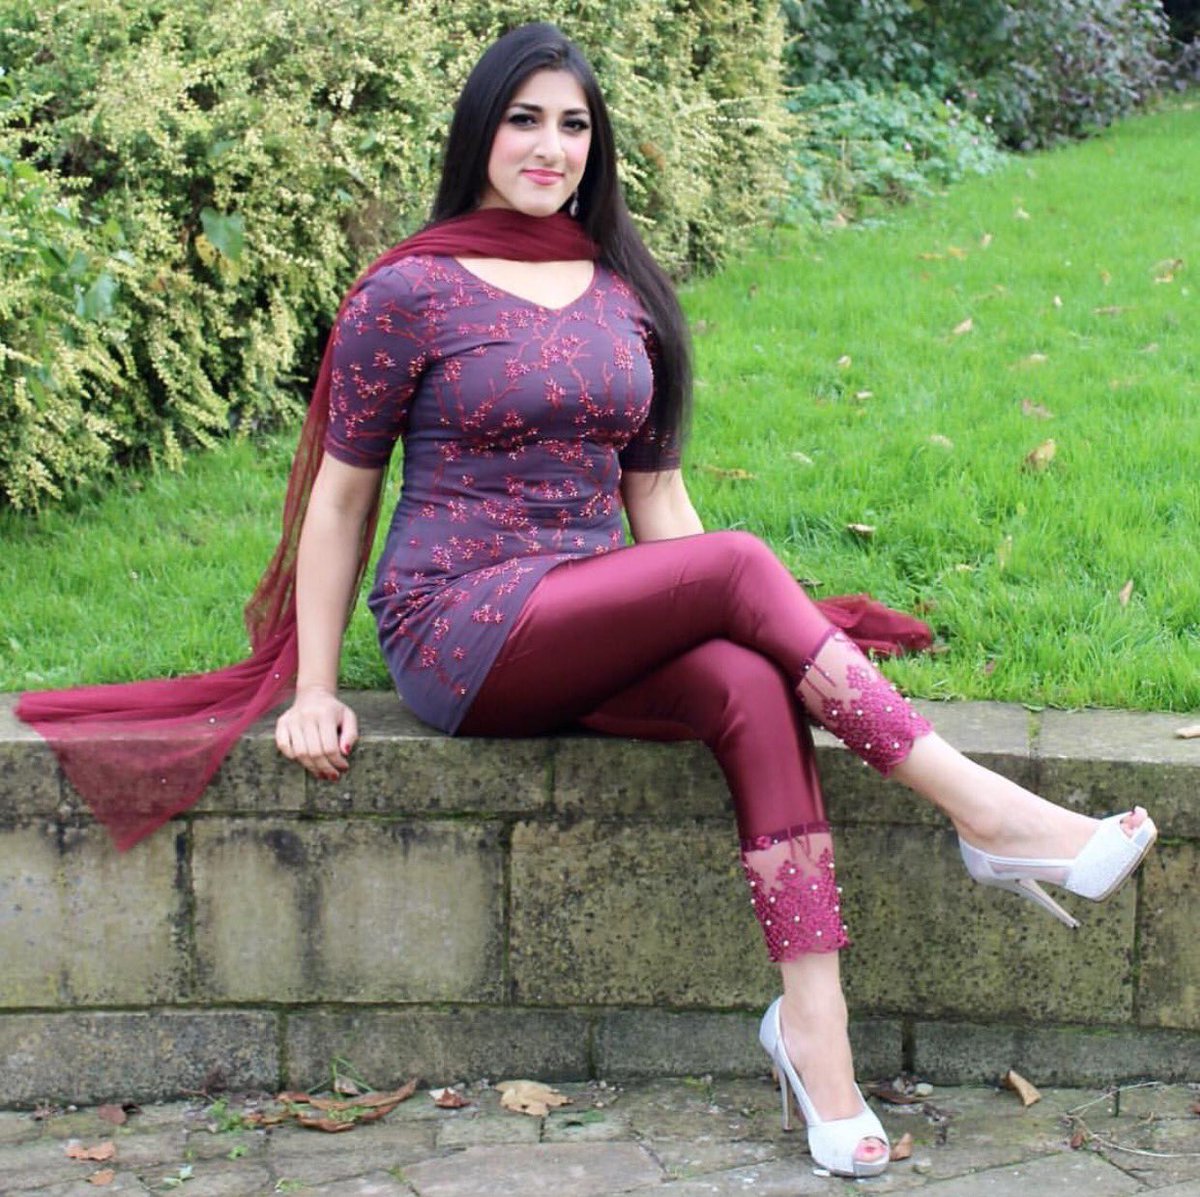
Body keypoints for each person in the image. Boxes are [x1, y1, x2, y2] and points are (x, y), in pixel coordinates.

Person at [20, 22, 1157, 1181]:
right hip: (458, 625)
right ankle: (987, 814)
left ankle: (815, 1034)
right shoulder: (408, 290)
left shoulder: (627, 292)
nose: (549, 146)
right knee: (738, 569)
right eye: (524, 119)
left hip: (588, 611)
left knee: (749, 680)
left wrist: (745, 622)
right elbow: (341, 498)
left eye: (573, 124)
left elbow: (655, 498)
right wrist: (314, 686)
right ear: (479, 133)